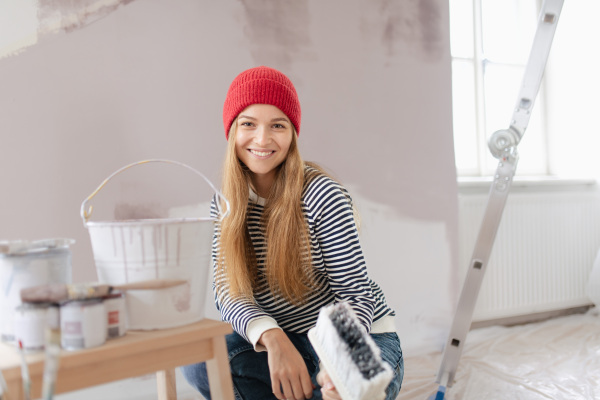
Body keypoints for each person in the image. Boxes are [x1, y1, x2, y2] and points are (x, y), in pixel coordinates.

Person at [182, 66, 403, 400]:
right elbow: (230, 294)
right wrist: (273, 338)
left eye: (277, 125)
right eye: (248, 124)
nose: (262, 139)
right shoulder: (224, 203)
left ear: (292, 134)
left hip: (357, 337)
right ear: (232, 131)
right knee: (200, 362)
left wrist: (338, 361)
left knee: (352, 393)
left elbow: (354, 295)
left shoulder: (321, 195)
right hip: (286, 339)